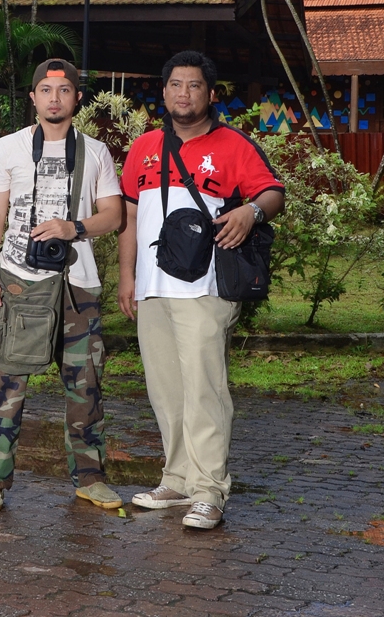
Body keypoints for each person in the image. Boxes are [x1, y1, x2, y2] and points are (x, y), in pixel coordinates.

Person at [118, 51, 284, 529]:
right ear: (163, 91)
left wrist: (251, 211)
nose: (183, 93)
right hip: (153, 287)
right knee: (166, 390)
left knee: (204, 390)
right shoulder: (145, 146)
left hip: (206, 288)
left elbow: (272, 192)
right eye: (175, 84)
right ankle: (177, 480)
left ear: (210, 94)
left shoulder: (233, 144)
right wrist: (127, 276)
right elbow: (130, 215)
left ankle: (209, 489)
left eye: (193, 85)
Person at [0, 58, 123, 514]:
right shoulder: (10, 147)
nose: (54, 98)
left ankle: (90, 478)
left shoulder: (95, 151)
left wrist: (72, 228)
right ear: (33, 97)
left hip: (78, 287)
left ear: (77, 98)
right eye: (45, 90)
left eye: (63, 90)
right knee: (5, 383)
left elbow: (114, 216)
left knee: (85, 386)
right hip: (18, 283)